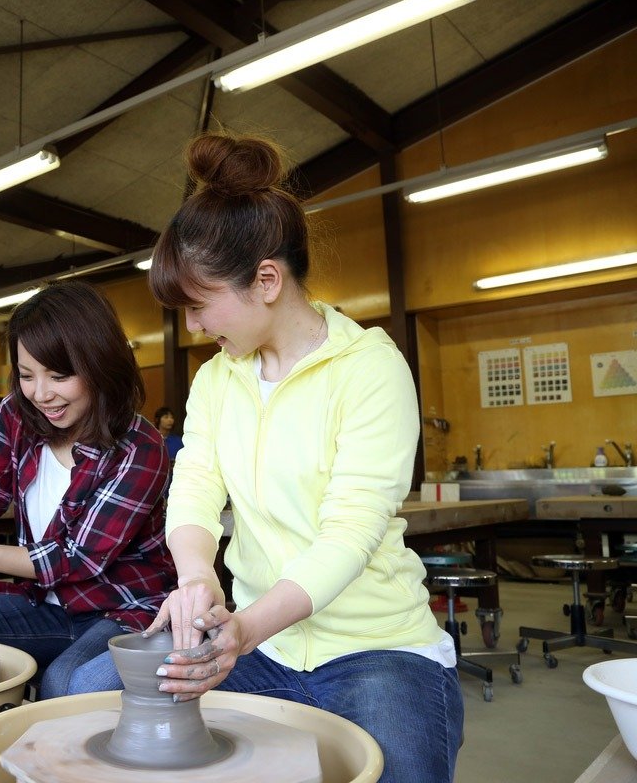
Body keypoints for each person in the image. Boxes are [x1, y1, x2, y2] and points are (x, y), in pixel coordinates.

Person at [68, 133, 461, 783]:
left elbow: (352, 529)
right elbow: (194, 485)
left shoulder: (369, 369)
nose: (193, 326)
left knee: (402, 771)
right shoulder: (222, 377)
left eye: (199, 305)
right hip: (257, 643)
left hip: (376, 648)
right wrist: (197, 578)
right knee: (90, 687)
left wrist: (242, 630)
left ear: (267, 280)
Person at [0, 281, 175, 699]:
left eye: (60, 376)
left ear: (100, 364)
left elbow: (79, 558)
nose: (42, 394)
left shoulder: (140, 446)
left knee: (66, 685)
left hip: (123, 609)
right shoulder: (16, 413)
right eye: (27, 376)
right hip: (44, 602)